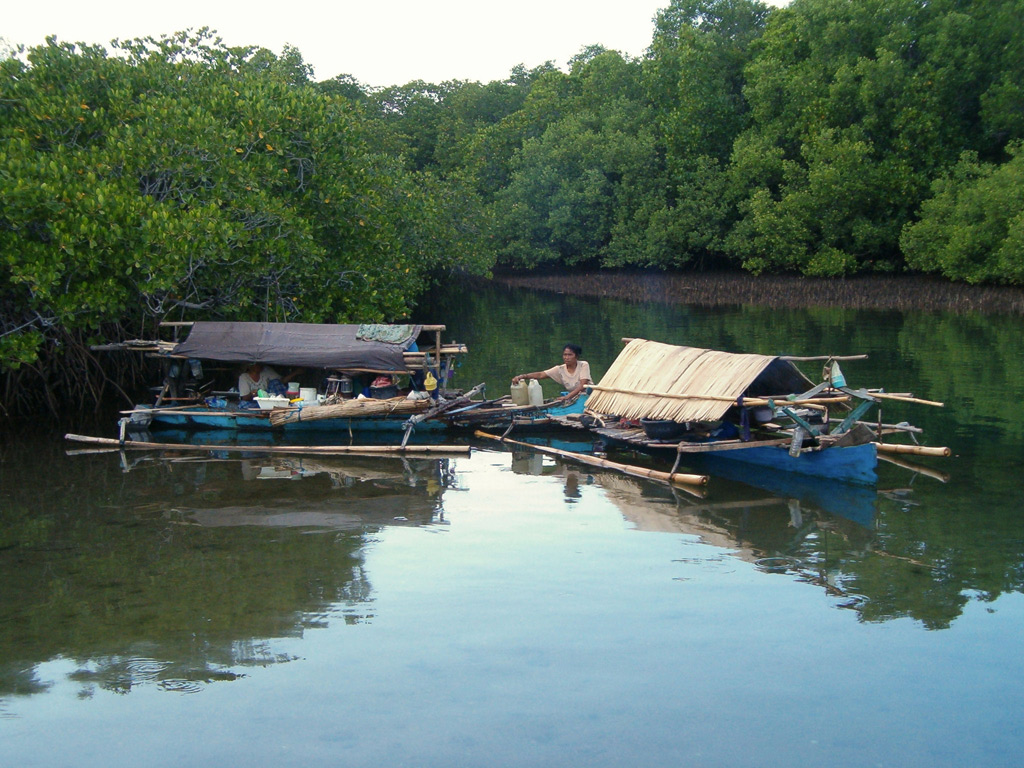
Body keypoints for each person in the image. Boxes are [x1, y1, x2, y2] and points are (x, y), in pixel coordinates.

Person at [512, 344, 592, 400]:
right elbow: (540, 375)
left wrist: (567, 397)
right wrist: (521, 377)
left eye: (570, 355)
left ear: (576, 356)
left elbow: (583, 386)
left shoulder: (583, 365)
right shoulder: (560, 369)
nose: (566, 357)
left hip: (589, 397)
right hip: (574, 398)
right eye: (565, 355)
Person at [238, 363, 304, 401]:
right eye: (256, 364)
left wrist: (295, 373)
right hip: (254, 402)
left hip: (270, 399)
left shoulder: (266, 371)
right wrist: (253, 394)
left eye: (259, 363)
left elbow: (281, 381)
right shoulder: (244, 377)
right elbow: (245, 398)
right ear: (250, 366)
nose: (258, 365)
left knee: (275, 382)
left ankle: (282, 402)